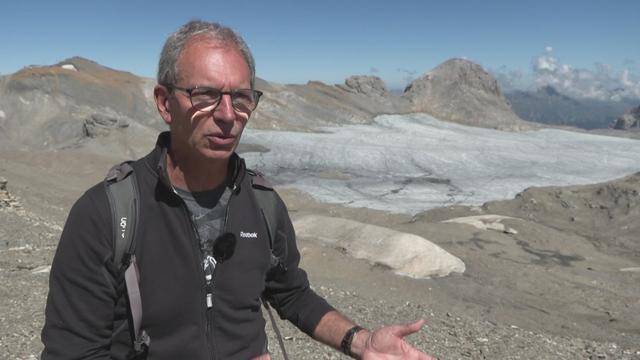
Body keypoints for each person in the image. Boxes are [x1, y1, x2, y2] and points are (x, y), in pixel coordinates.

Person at [40, 19, 435, 360]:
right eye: (206, 95)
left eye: (241, 98)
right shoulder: (107, 214)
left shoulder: (263, 204)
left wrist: (360, 340)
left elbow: (290, 292)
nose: (228, 116)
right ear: (165, 103)